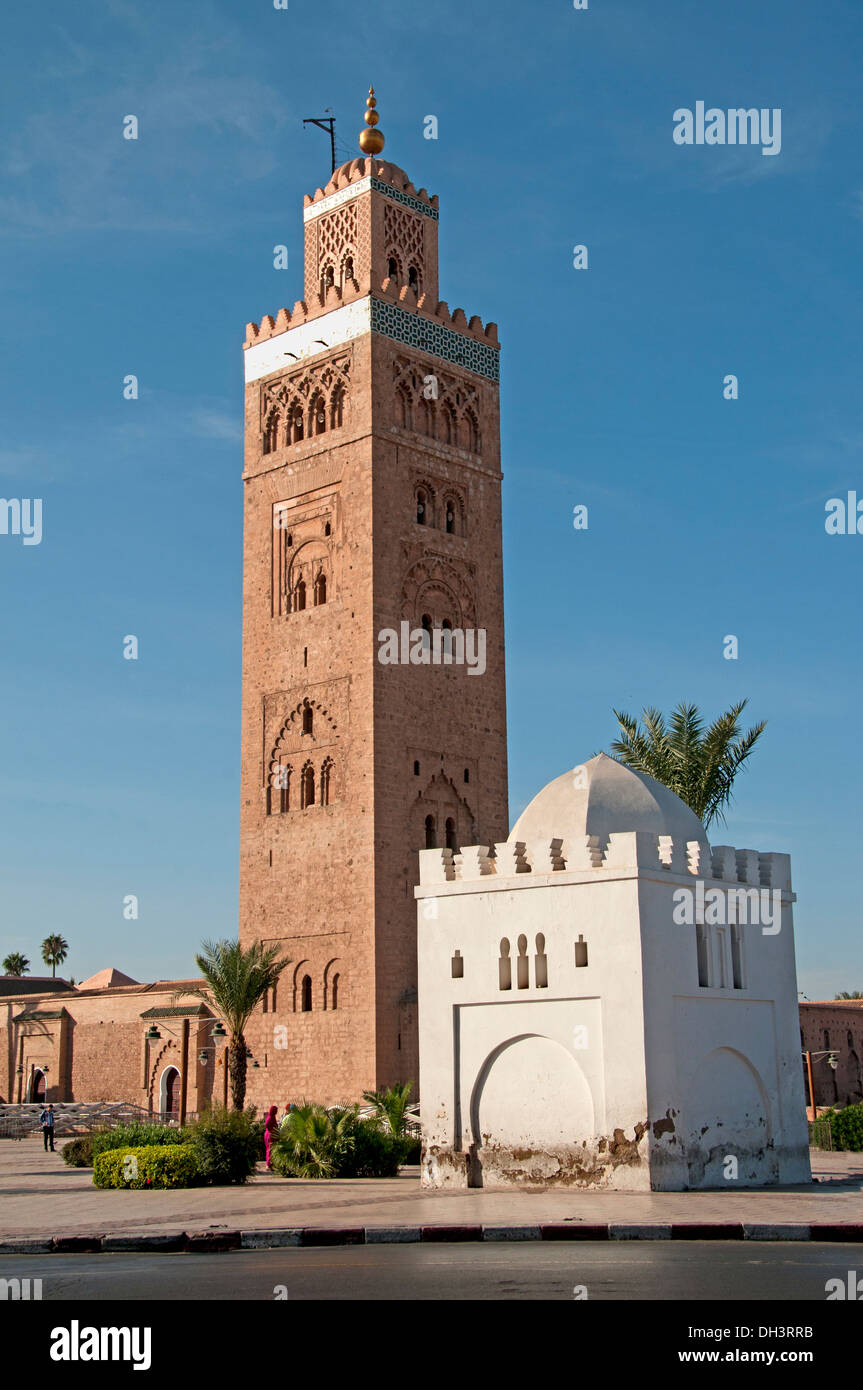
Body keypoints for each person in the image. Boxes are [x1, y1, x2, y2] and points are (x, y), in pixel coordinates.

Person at [263, 1105, 279, 1170]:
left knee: (271, 1150)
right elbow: (267, 1124)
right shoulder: (270, 1117)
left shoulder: (272, 1116)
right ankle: (268, 1164)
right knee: (270, 1150)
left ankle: (271, 1164)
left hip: (271, 1135)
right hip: (269, 1135)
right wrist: (270, 1130)